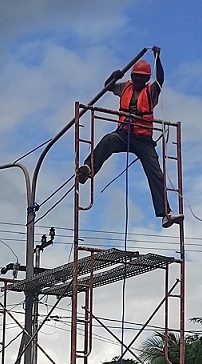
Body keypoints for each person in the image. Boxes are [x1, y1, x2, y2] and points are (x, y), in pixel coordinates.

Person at [76, 47, 182, 229]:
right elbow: (107, 87)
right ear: (132, 77)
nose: (139, 79)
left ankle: (165, 213)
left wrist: (158, 58)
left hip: (143, 139)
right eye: (136, 76)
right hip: (124, 134)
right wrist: (113, 76)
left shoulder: (151, 91)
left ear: (147, 78)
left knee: (155, 173)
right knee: (108, 140)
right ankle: (88, 169)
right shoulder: (125, 86)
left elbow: (161, 79)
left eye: (143, 77)